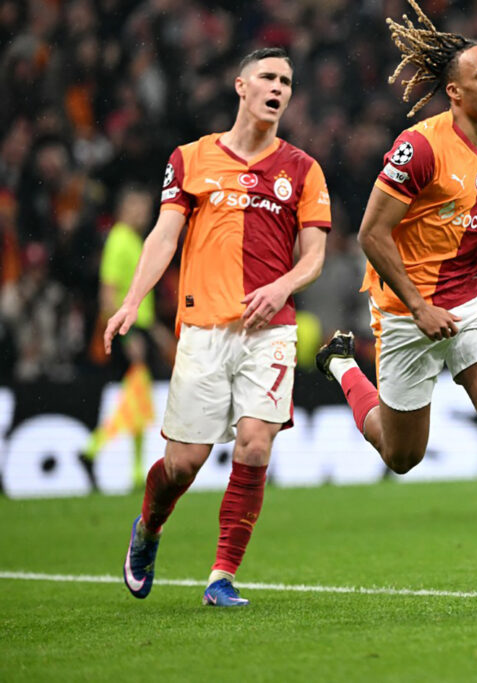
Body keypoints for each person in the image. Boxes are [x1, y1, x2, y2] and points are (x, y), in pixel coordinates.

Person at [315, 0, 477, 605]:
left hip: (472, 295)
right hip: (406, 311)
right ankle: (342, 367)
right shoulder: (419, 147)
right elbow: (371, 234)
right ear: (454, 92)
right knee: (402, 455)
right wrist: (418, 307)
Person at [104, 47, 331, 606]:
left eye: (286, 81)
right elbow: (164, 235)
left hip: (270, 328)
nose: (278, 87)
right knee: (183, 464)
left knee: (254, 446)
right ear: (241, 86)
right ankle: (149, 527)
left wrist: (281, 287)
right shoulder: (191, 158)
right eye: (267, 77)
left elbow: (314, 257)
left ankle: (221, 575)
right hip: (203, 326)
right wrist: (132, 301)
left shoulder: (302, 169)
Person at [79, 184, 166, 492]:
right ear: (122, 209)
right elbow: (107, 295)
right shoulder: (119, 240)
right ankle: (94, 448)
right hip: (128, 331)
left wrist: (157, 332)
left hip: (140, 329)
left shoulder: (134, 240)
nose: (142, 213)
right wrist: (125, 337)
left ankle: (133, 468)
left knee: (138, 399)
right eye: (136, 207)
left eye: (145, 208)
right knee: (137, 397)